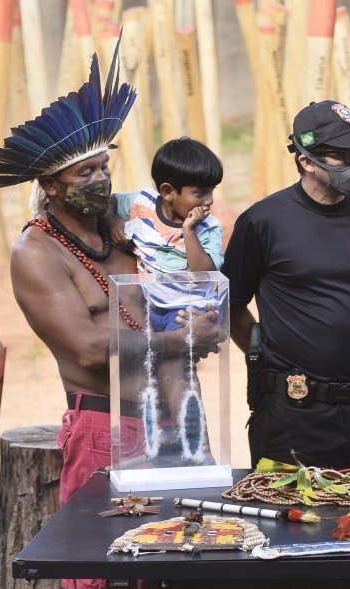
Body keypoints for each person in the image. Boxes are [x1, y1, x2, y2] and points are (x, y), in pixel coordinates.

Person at [0, 54, 219, 589]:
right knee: (106, 572)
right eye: (84, 172)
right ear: (51, 185)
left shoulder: (128, 231)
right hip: (107, 429)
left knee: (192, 566)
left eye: (104, 168)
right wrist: (179, 337)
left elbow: (188, 285)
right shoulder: (38, 253)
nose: (99, 179)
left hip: (180, 420)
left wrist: (203, 321)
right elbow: (90, 350)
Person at [224, 100, 350, 469]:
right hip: (293, 416)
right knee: (291, 523)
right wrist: (268, 359)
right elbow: (230, 305)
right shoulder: (263, 222)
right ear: (306, 160)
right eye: (343, 154)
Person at [108, 137, 226, 461]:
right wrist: (117, 224)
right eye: (200, 192)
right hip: (149, 306)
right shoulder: (140, 203)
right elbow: (106, 207)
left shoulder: (208, 228)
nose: (209, 200)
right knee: (150, 369)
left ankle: (199, 451)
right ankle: (154, 446)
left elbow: (204, 273)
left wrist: (189, 231)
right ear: (167, 191)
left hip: (184, 309)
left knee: (179, 370)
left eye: (212, 191)